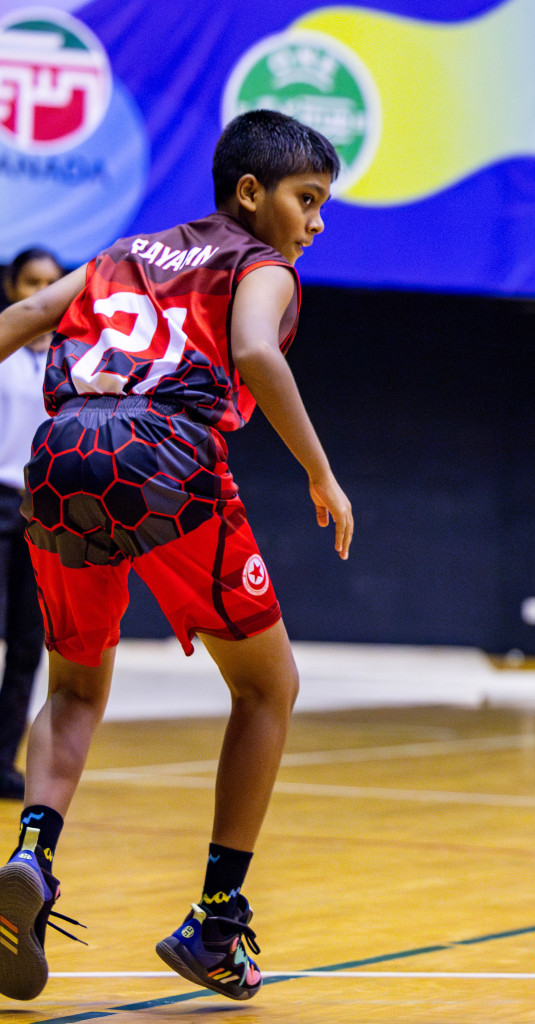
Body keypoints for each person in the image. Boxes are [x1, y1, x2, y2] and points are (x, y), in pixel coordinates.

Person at [0, 109, 354, 1003]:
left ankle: (32, 856)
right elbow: (253, 354)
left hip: (61, 453)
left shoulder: (125, 252)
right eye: (306, 200)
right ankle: (217, 920)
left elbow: (35, 313)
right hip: (164, 456)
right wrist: (321, 473)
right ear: (250, 194)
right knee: (268, 688)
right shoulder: (260, 266)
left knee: (76, 687)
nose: (316, 222)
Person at [0, 250, 63, 801]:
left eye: (50, 282)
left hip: (41, 509)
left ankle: (2, 758)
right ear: (11, 286)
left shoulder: (72, 358)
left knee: (27, 642)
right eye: (30, 282)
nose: (39, 291)